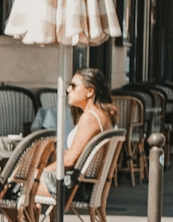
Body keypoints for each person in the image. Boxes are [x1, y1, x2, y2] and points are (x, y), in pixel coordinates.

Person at [38, 67, 116, 197]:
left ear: (90, 91)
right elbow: (77, 154)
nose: (68, 90)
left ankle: (28, 218)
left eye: (73, 86)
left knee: (16, 182)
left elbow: (70, 161)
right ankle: (38, 218)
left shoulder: (90, 117)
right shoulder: (102, 115)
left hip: (76, 187)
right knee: (25, 177)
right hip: (87, 184)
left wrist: (41, 172)